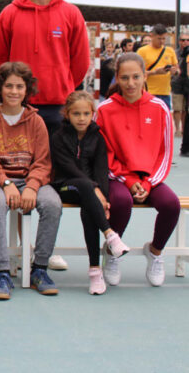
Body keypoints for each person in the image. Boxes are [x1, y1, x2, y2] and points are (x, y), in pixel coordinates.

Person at [0, 62, 62, 300]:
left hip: (30, 180)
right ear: (0, 89)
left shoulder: (36, 121)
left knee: (53, 205)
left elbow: (43, 161)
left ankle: (39, 269)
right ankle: (2, 272)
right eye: (9, 86)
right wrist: (6, 184)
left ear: (27, 90)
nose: (14, 91)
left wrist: (33, 186)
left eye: (19, 86)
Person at [96, 53, 180, 287]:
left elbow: (165, 153)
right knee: (122, 202)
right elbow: (103, 154)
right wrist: (129, 178)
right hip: (118, 177)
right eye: (124, 77)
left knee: (171, 204)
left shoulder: (160, 108)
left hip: (150, 179)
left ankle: (155, 251)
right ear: (117, 78)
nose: (130, 83)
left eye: (136, 77)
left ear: (145, 76)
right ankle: (113, 252)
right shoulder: (105, 109)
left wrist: (147, 183)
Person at [0, 0, 89, 137]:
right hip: (19, 103)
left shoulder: (71, 14)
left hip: (59, 104)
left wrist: (62, 84)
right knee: (19, 165)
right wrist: (10, 92)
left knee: (57, 164)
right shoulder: (9, 14)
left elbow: (81, 62)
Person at [50, 91, 130, 295]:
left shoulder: (98, 137)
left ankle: (95, 271)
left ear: (92, 114)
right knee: (86, 188)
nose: (82, 118)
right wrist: (95, 189)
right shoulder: (58, 137)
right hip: (64, 186)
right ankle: (111, 236)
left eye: (86, 113)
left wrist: (102, 196)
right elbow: (69, 169)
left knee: (89, 210)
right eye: (76, 114)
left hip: (89, 193)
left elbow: (101, 170)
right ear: (67, 114)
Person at [137, 24, 179, 112]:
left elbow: (177, 69)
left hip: (165, 93)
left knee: (164, 121)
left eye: (164, 38)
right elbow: (137, 73)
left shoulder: (170, 51)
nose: (162, 41)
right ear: (152, 36)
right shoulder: (142, 51)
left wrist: (174, 71)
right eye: (159, 38)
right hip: (148, 92)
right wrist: (155, 72)